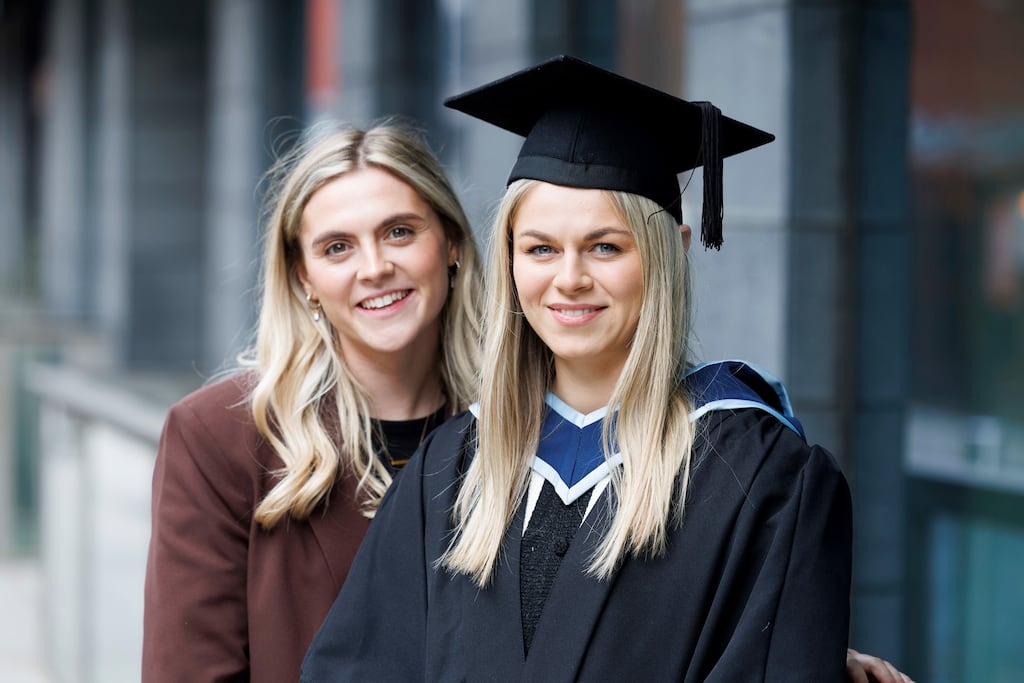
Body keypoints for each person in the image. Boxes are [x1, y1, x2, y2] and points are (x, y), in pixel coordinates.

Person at [302, 56, 913, 682]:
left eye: (605, 247)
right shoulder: (450, 470)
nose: (569, 279)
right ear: (510, 262)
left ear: (667, 252)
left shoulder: (757, 477)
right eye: (540, 248)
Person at [141, 123, 484, 682]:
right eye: (337, 247)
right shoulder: (219, 437)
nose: (373, 267)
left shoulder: (519, 427)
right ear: (304, 278)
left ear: (450, 244)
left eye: (399, 232)